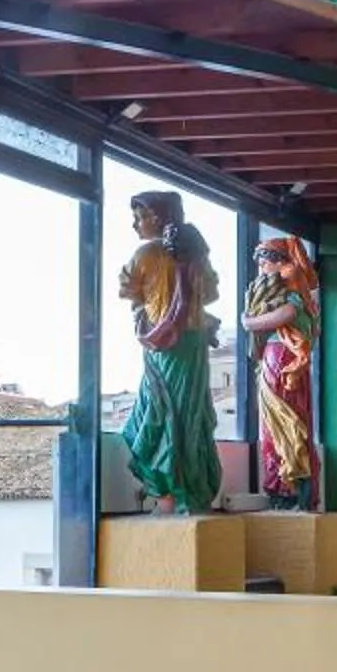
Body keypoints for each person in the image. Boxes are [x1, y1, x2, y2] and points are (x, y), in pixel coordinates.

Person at [117, 190, 223, 514]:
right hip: (190, 344)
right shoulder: (196, 256)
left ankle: (169, 495)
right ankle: (189, 492)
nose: (135, 224)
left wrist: (145, 316)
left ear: (159, 217)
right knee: (187, 413)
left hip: (163, 345)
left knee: (159, 413)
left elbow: (129, 292)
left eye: (140, 217)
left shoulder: (145, 254)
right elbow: (211, 293)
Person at [242, 236, 319, 509]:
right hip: (274, 362)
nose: (262, 270)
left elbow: (279, 317)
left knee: (287, 423)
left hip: (284, 363)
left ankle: (293, 486)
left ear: (282, 264)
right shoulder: (284, 298)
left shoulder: (294, 299)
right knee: (271, 428)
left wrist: (248, 321)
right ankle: (281, 486)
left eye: (265, 264)